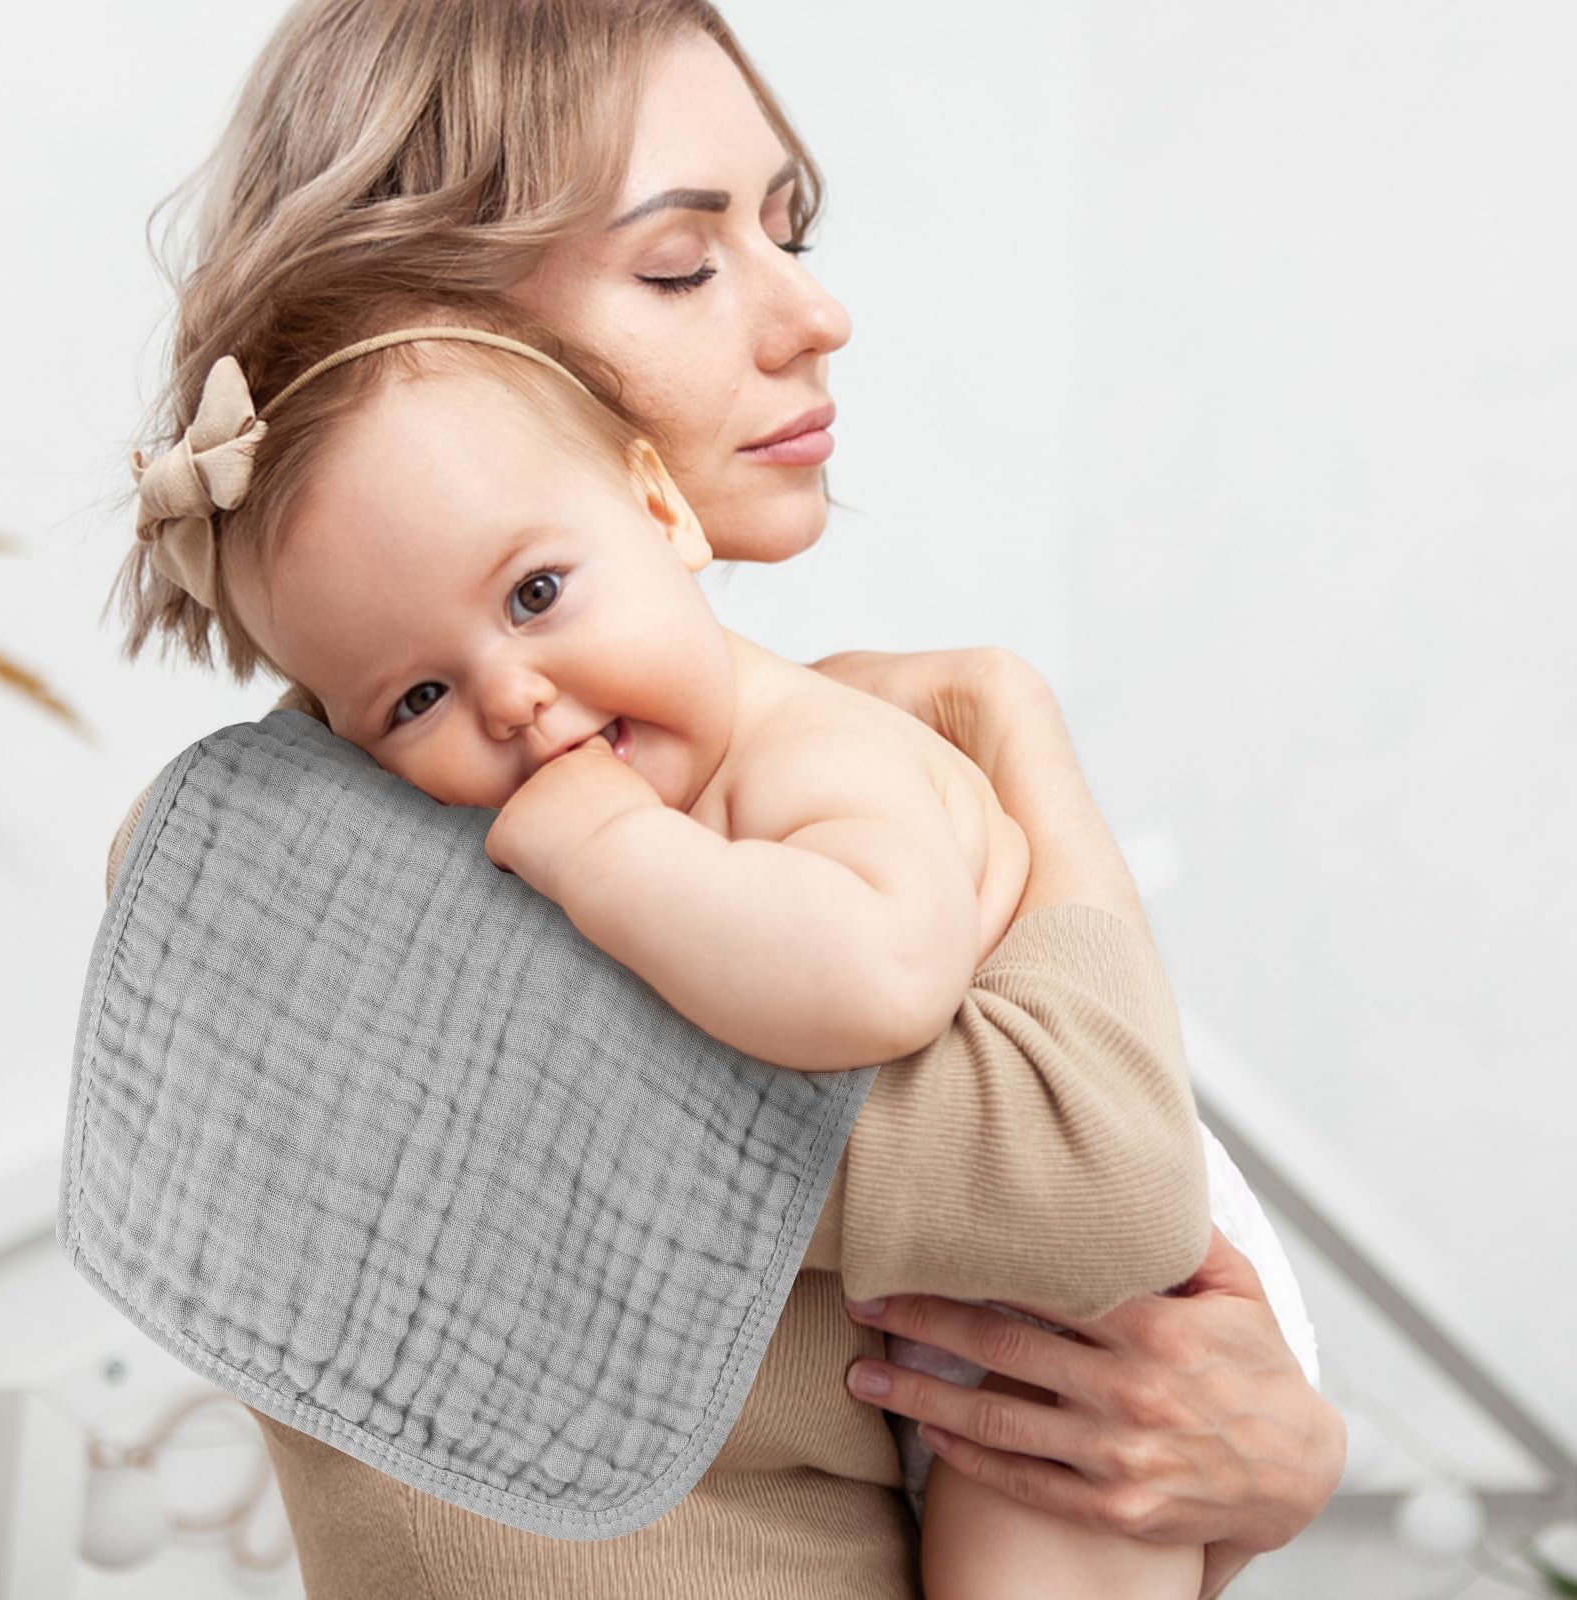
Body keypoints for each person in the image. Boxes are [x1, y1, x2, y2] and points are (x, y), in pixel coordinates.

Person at [103, 3, 1345, 1595]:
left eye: (787, 230)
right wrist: (1012, 722)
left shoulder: (697, 766)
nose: (816, 313)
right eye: (683, 265)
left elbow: (1069, 1346)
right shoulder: (279, 868)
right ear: (429, 323)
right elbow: (1100, 1182)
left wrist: (1274, 1448)